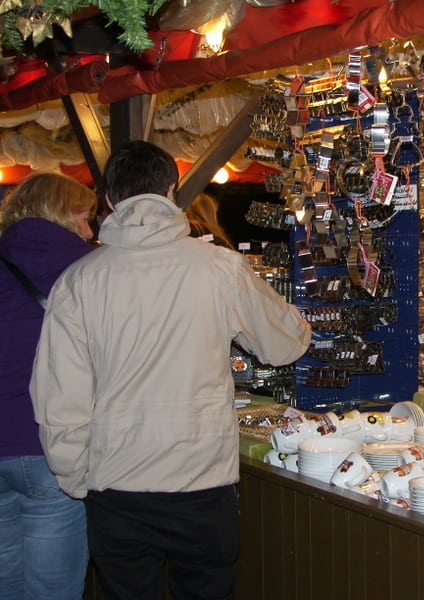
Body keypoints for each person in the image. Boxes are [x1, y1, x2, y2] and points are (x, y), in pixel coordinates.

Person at [30, 141, 311, 600]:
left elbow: (59, 397)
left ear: (108, 200)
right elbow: (285, 345)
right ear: (172, 190)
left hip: (116, 483)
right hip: (201, 480)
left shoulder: (79, 281)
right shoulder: (220, 268)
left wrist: (75, 477)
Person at [0, 172, 97, 600]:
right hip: (50, 445)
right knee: (53, 591)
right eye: (85, 217)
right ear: (65, 215)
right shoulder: (89, 272)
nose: (91, 229)